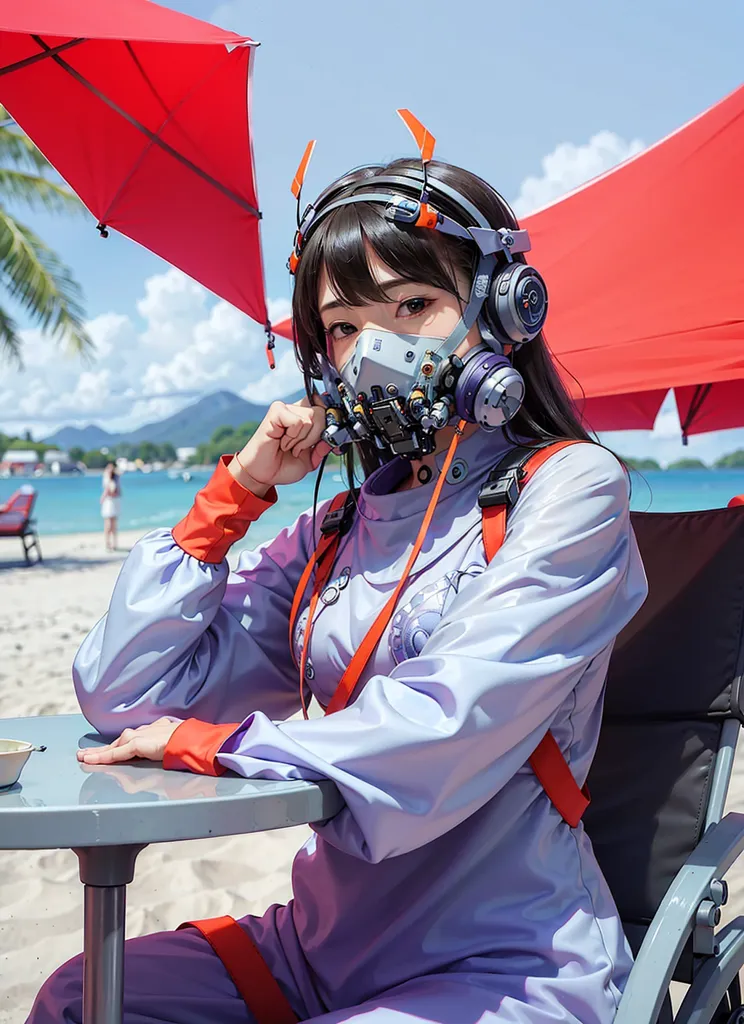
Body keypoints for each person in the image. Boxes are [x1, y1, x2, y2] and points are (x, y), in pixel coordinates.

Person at [28, 139, 647, 1023]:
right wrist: (235, 494)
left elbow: (447, 726)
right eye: (348, 325)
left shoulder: (572, 489)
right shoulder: (337, 528)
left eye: (415, 304)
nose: (376, 348)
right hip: (319, 947)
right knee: (83, 997)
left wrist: (211, 743)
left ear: (506, 310)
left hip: (502, 956)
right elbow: (122, 691)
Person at [100, 461, 121, 552]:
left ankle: (111, 543)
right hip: (112, 502)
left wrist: (103, 498)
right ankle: (110, 543)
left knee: (110, 524)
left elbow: (110, 491)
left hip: (111, 501)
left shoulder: (114, 478)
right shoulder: (113, 478)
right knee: (111, 524)